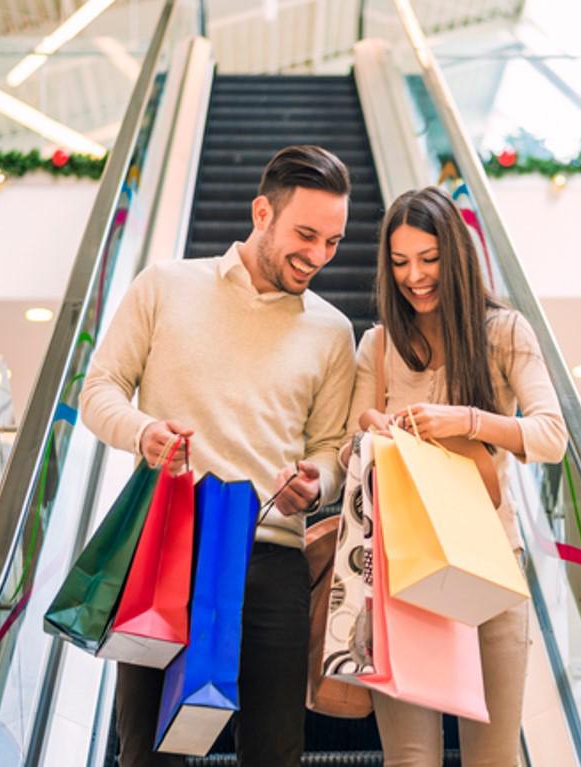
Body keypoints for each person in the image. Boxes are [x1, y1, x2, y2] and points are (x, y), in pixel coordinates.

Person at [79, 145, 357, 767]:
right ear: (262, 212)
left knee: (275, 753)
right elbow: (97, 390)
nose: (317, 257)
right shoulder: (163, 287)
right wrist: (143, 432)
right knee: (149, 753)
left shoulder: (333, 331)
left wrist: (317, 482)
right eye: (305, 235)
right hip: (167, 552)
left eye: (334, 242)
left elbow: (331, 450)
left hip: (274, 561)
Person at [345, 186, 568, 766]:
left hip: (491, 561)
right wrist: (371, 428)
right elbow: (349, 451)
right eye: (399, 263)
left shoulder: (503, 333)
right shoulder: (379, 345)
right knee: (409, 759)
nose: (414, 277)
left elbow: (551, 435)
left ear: (457, 256)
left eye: (428, 259)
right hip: (403, 571)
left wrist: (466, 420)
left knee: (493, 758)